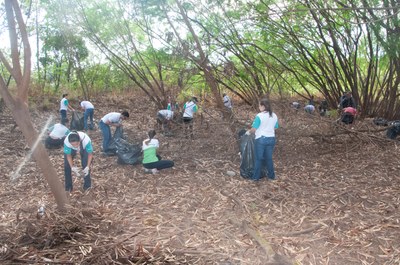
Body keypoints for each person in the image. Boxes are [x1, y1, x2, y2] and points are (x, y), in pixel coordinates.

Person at [248, 98, 278, 181]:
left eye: (259, 105)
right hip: (271, 139)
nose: (259, 107)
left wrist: (248, 132)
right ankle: (271, 176)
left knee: (258, 159)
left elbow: (254, 129)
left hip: (261, 139)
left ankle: (255, 178)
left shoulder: (259, 116)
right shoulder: (274, 115)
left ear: (263, 106)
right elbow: (275, 128)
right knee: (269, 158)